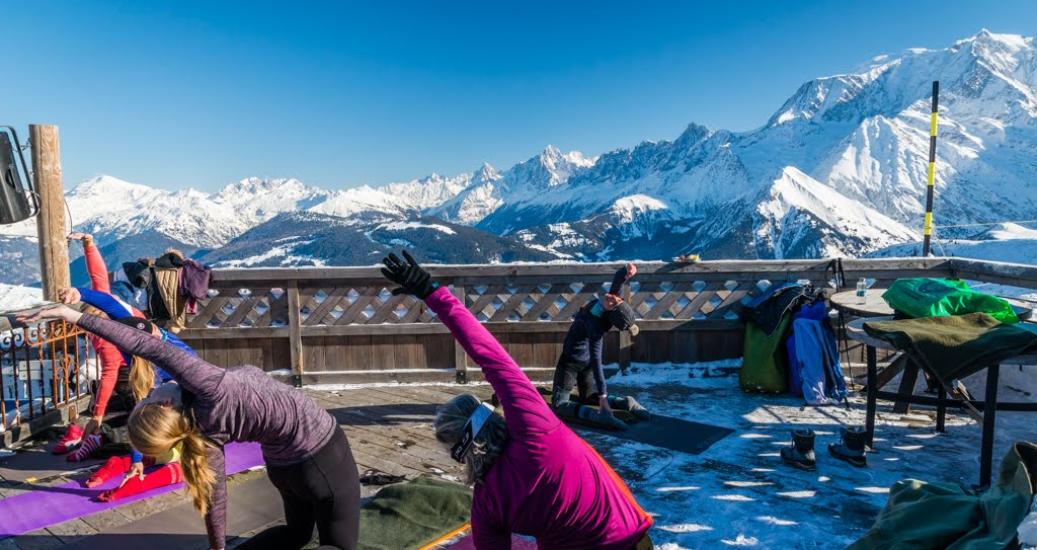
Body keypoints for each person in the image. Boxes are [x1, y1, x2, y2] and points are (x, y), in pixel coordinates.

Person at [17, 305, 360, 550]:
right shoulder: (207, 385)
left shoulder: (203, 439)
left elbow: (216, 502)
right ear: (164, 405)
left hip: (285, 470)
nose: (152, 389)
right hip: (323, 455)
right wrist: (71, 315)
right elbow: (146, 345)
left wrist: (217, 547)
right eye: (148, 398)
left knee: (296, 535)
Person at [380, 251, 653, 550]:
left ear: (460, 452)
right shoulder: (534, 427)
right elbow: (487, 352)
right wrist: (431, 292)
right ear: (490, 416)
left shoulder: (486, 505)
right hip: (634, 536)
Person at [550, 263, 647, 430]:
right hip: (585, 362)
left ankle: (599, 416)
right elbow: (618, 280)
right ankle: (623, 402)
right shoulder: (613, 302)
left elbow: (596, 361)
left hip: (571, 362)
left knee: (559, 405)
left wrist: (603, 396)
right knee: (587, 397)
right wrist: (626, 271)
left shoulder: (597, 323)